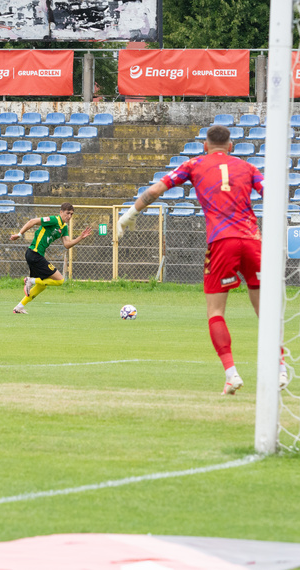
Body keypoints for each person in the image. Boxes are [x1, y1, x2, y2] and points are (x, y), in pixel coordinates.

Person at [117, 125, 288, 395]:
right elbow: (275, 196)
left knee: (216, 312)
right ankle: (280, 368)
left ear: (205, 146)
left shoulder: (193, 164)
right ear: (230, 146)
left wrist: (128, 215)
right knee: (264, 311)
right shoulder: (247, 167)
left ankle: (232, 375)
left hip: (222, 242)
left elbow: (155, 191)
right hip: (253, 241)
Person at [10, 202, 93, 314]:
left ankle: (19, 307)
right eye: (67, 213)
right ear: (61, 212)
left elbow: (67, 244)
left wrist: (80, 237)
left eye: (71, 214)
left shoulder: (64, 227)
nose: (69, 216)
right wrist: (19, 235)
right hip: (34, 253)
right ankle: (30, 280)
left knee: (42, 285)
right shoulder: (54, 220)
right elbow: (32, 221)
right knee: (60, 280)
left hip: (35, 255)